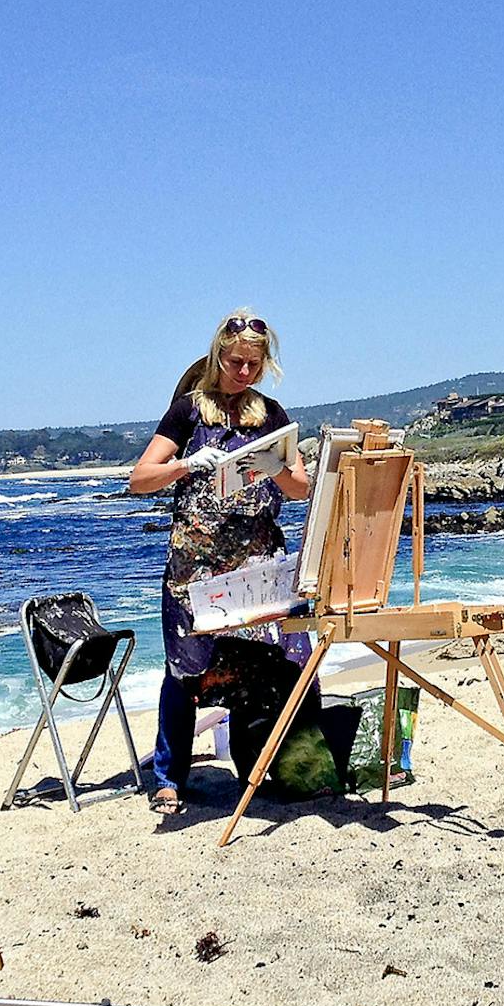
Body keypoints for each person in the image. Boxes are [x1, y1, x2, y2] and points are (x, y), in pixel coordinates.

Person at [128, 310, 312, 815]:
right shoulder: (189, 411)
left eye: (254, 364)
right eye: (236, 363)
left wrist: (277, 468)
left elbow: (299, 491)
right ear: (217, 357)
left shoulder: (270, 414)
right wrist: (186, 465)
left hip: (258, 567)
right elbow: (139, 478)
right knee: (186, 670)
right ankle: (169, 777)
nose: (245, 373)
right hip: (197, 569)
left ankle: (270, 768)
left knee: (280, 664)